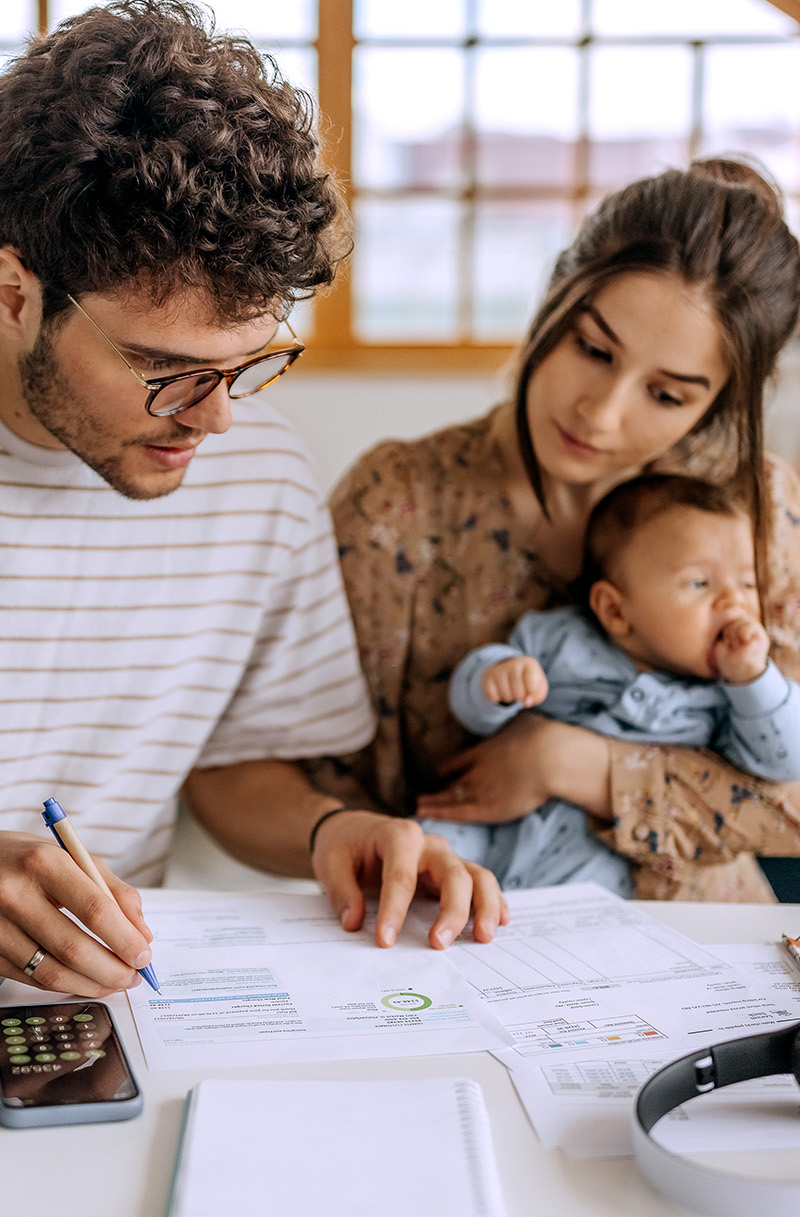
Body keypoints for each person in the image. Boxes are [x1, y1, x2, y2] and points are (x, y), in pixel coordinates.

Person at [0, 0, 507, 1000]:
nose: (216, 420)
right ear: (15, 295)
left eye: (250, 364)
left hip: (97, 1013)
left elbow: (235, 768)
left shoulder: (259, 473)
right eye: (164, 368)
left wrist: (331, 831)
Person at [322, 156, 800, 905]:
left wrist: (566, 761)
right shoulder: (397, 504)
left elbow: (793, 797)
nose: (601, 413)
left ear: (717, 405)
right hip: (461, 934)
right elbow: (308, 782)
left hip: (712, 959)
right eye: (593, 350)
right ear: (553, 294)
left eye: (667, 394)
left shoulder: (761, 512)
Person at [417, 474, 800, 895]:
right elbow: (473, 713)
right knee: (428, 847)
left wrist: (753, 679)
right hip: (497, 820)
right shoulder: (561, 638)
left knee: (581, 909)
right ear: (615, 610)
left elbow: (783, 762)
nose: (735, 602)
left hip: (597, 849)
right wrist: (495, 680)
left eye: (748, 584)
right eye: (699, 583)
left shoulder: (731, 697)